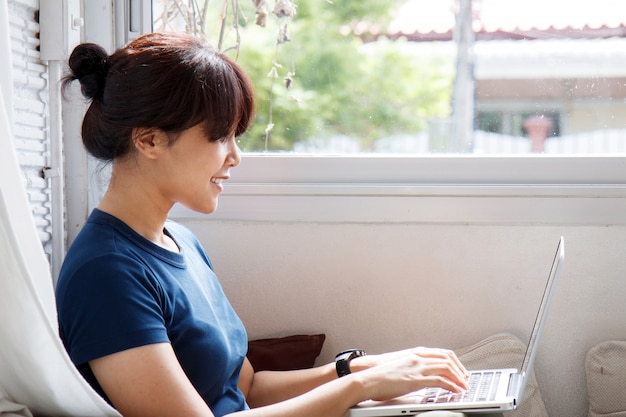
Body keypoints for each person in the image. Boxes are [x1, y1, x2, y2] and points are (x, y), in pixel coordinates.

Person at [56, 32, 500, 417]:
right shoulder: (106, 274)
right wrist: (358, 389)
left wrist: (359, 369)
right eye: (219, 137)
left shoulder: (181, 243)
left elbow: (246, 390)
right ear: (149, 140)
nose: (235, 156)